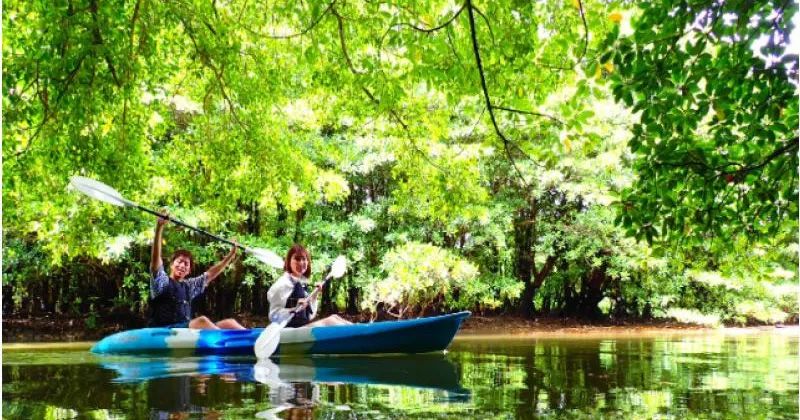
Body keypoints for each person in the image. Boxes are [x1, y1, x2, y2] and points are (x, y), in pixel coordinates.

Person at [149, 211, 246, 329]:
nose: (182, 265)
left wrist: (230, 256)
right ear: (171, 265)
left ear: (189, 271)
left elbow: (210, 275)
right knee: (202, 321)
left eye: (186, 264)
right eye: (179, 261)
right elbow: (155, 260)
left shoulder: (189, 286)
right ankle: (224, 345)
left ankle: (254, 344)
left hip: (183, 330)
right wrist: (159, 227)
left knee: (229, 323)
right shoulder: (162, 282)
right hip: (165, 331)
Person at [267, 244, 351, 328]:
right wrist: (294, 309)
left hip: (300, 329)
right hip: (287, 331)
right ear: (289, 261)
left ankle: (359, 330)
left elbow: (309, 317)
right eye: (297, 259)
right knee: (331, 321)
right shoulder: (282, 284)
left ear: (307, 262)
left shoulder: (301, 284)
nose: (301, 263)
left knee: (334, 317)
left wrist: (314, 296)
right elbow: (273, 316)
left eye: (304, 259)